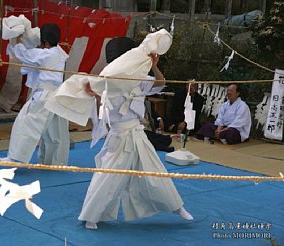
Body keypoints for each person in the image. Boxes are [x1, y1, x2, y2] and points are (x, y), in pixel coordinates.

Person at [46, 30, 193, 230]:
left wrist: (155, 67)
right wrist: (95, 94)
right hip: (119, 136)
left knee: (155, 173)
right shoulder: (106, 81)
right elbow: (102, 111)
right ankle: (91, 215)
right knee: (108, 177)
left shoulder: (139, 80)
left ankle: (177, 207)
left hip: (137, 134)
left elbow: (160, 83)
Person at [0, 23, 70, 165]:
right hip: (58, 96)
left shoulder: (45, 54)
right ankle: (55, 162)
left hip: (44, 96)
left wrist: (18, 40)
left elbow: (24, 54)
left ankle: (15, 159)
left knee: (25, 124)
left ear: (46, 43)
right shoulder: (60, 53)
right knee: (55, 132)